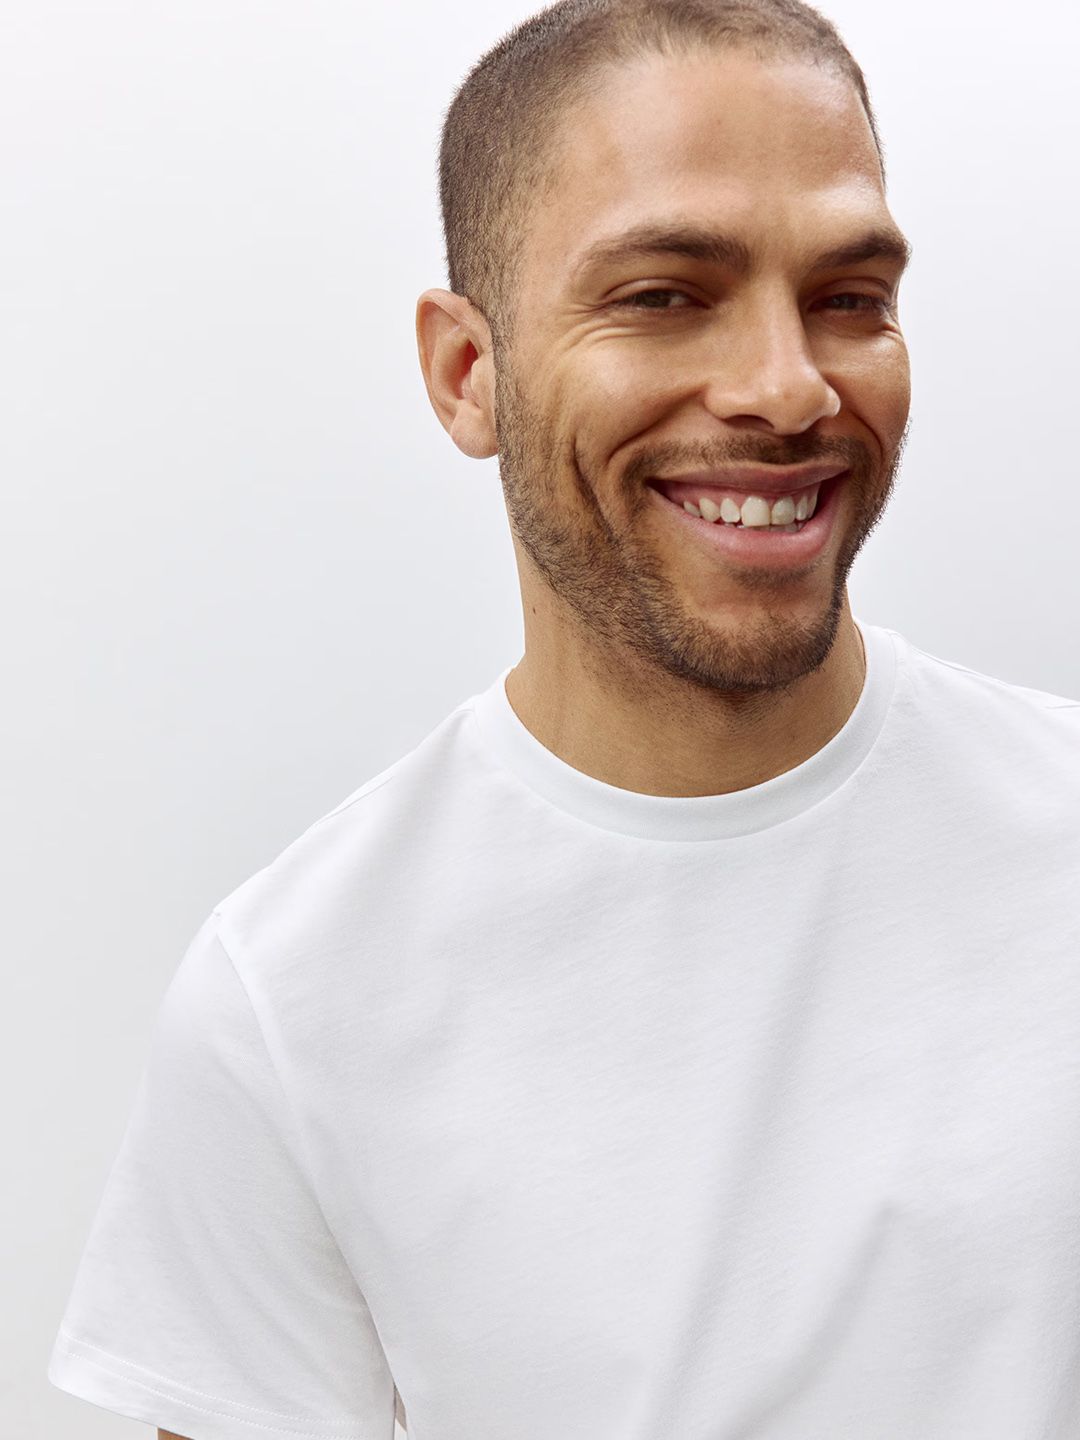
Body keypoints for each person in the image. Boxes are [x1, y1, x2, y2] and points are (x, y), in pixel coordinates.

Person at [48, 1, 1080, 1437]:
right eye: (663, 295)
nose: (790, 388)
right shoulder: (292, 1000)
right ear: (467, 374)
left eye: (849, 296)